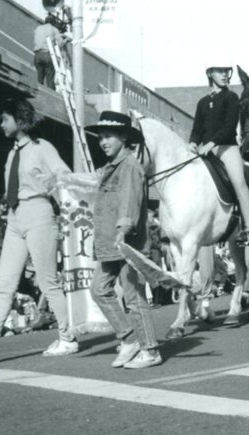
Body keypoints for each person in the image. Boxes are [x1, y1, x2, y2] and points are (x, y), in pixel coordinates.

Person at [0, 97, 76, 362]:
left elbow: (63, 176)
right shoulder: (12, 153)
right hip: (14, 218)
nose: (1, 124)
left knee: (48, 281)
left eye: (5, 119)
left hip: (39, 213)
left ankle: (68, 337)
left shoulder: (42, 148)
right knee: (4, 284)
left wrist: (64, 209)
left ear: (20, 120)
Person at [84, 110, 163, 369]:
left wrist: (123, 228)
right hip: (110, 242)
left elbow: (130, 200)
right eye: (100, 138)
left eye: (108, 136)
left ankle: (150, 349)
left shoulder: (129, 166)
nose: (103, 141)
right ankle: (130, 339)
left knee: (134, 296)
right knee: (99, 289)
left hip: (127, 241)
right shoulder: (111, 167)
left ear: (123, 138)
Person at [188, 62, 249, 249]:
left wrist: (210, 144)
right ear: (210, 73)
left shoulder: (232, 98)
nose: (225, 75)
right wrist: (193, 143)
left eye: (227, 71)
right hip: (206, 150)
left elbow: (229, 127)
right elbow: (197, 129)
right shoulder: (202, 102)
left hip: (227, 148)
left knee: (239, 182)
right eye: (220, 71)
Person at [33, 15, 66, 90]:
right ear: (53, 23)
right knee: (50, 80)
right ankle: (51, 96)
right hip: (48, 55)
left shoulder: (38, 28)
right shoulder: (54, 29)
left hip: (37, 55)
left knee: (39, 79)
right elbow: (60, 44)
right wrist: (66, 40)